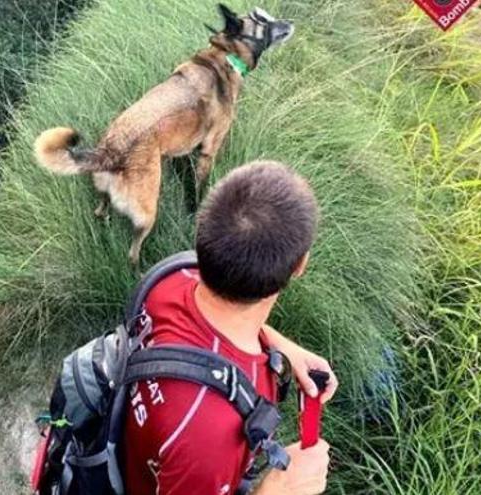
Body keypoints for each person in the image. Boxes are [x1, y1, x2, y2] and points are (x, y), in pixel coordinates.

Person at [123, 160, 337, 495]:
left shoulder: (171, 277)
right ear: (300, 265)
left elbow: (217, 318)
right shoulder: (208, 437)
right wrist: (278, 489)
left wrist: (284, 348)